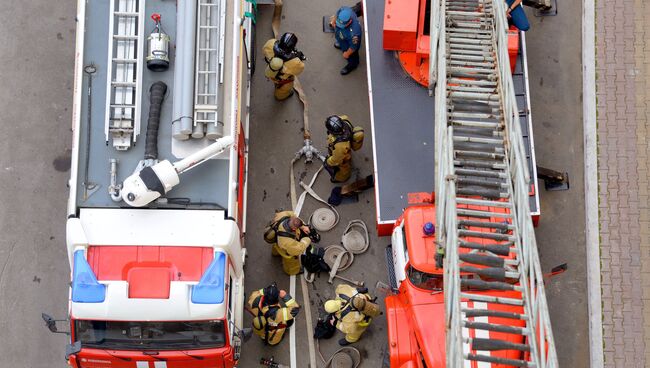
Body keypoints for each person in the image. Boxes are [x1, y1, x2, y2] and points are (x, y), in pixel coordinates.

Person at [263, 210, 313, 275]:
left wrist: (303, 227)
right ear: (294, 229)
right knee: (291, 262)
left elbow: (293, 215)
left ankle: (275, 253)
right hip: (285, 250)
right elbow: (299, 249)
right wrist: (307, 239)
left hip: (276, 240)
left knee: (276, 248)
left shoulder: (283, 215)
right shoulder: (288, 242)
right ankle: (292, 271)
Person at [263, 32, 306, 100]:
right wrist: (299, 57)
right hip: (282, 80)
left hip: (270, 69)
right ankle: (280, 97)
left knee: (274, 73)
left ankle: (275, 83)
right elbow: (299, 70)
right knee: (283, 90)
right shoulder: (295, 62)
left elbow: (264, 50)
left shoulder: (270, 44)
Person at [323, 115, 365, 183]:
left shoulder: (339, 145)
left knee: (344, 168)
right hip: (347, 146)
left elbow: (337, 160)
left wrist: (328, 162)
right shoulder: (345, 120)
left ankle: (343, 178)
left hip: (343, 155)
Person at [330, 6, 362, 75]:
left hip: (349, 45)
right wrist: (334, 21)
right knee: (341, 40)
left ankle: (352, 65)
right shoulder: (343, 10)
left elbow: (353, 47)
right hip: (342, 36)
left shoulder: (354, 34)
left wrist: (347, 53)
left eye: (341, 24)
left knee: (352, 56)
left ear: (349, 21)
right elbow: (337, 13)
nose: (338, 25)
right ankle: (341, 45)